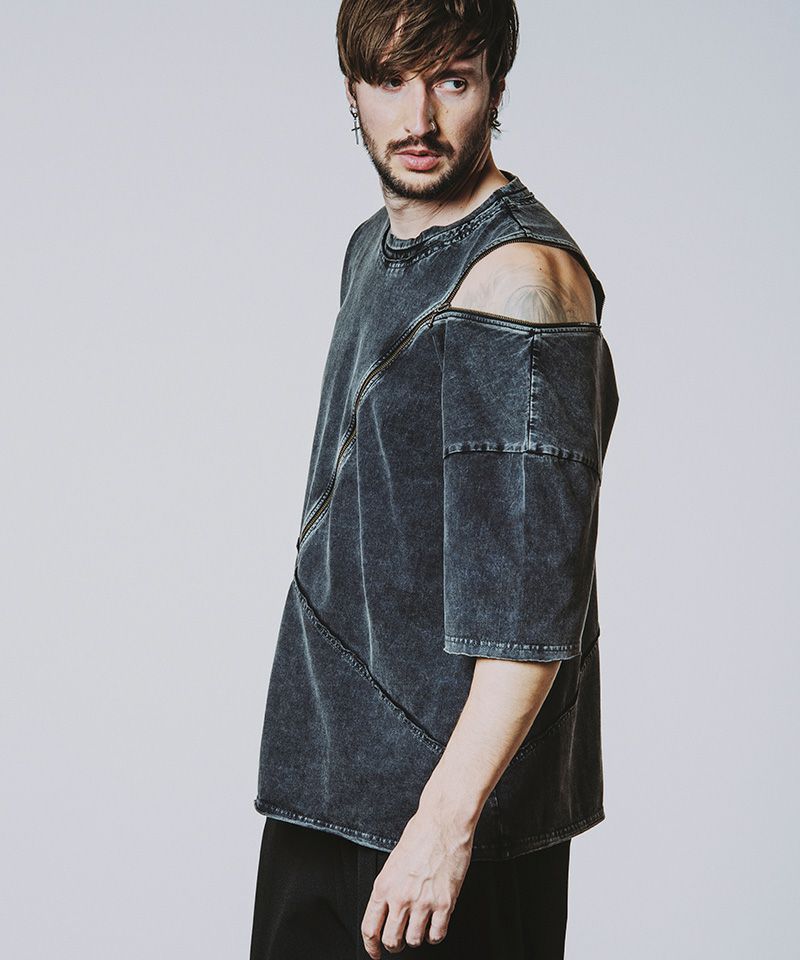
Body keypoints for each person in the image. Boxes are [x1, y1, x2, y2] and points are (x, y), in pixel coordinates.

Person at [250, 2, 620, 957]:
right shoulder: (371, 250)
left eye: (452, 80)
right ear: (352, 88)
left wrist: (443, 828)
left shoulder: (519, 282)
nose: (418, 119)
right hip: (329, 791)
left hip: (442, 829)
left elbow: (531, 608)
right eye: (390, 80)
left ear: (494, 84)